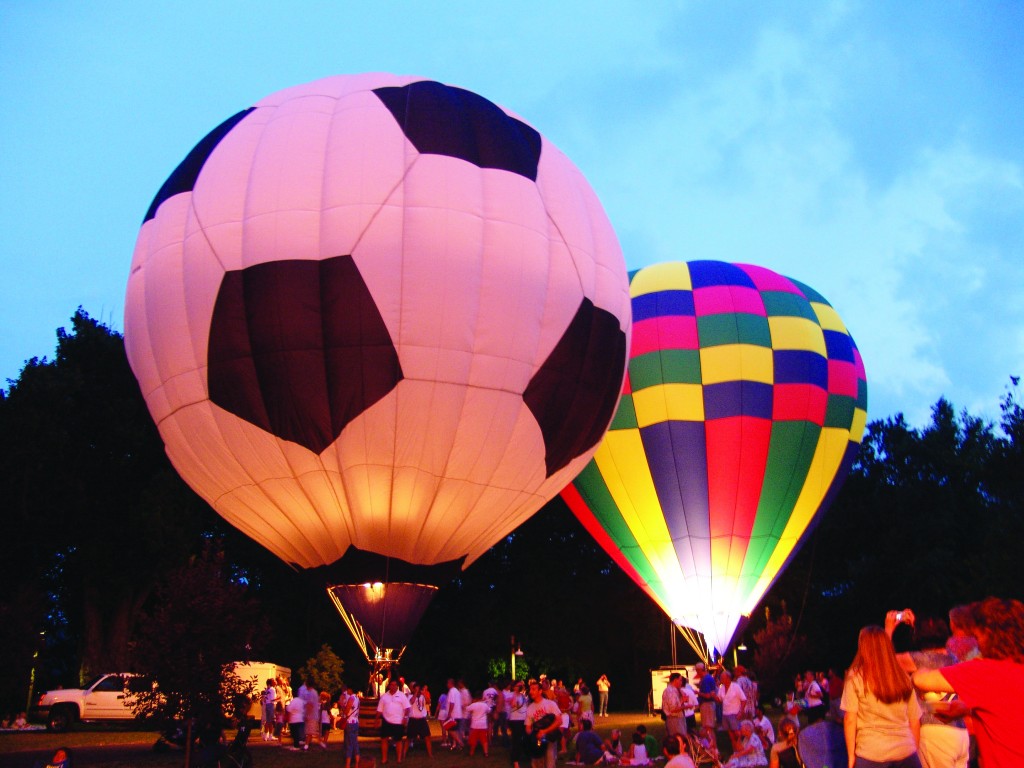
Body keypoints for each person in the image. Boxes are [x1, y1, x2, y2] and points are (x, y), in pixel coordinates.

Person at [913, 596, 1024, 768]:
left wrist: (920, 666)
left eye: (978, 638)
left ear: (990, 635)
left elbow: (923, 680)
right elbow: (1008, 707)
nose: (978, 646)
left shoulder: (985, 671)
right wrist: (967, 708)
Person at [886, 609, 969, 768]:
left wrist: (889, 629)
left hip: (934, 732)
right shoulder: (954, 659)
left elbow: (884, 659)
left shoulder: (918, 659)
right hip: (960, 732)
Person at [841, 625, 922, 768]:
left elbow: (849, 719)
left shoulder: (856, 677)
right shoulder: (902, 676)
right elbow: (914, 719)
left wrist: (851, 756)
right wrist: (913, 748)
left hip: (871, 754)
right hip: (906, 753)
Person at [526, 680, 563, 768]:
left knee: (549, 762)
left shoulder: (550, 704)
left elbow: (559, 721)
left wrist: (544, 731)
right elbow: (528, 727)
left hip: (549, 737)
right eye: (530, 689)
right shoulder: (530, 708)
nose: (531, 691)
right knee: (536, 763)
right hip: (538, 739)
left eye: (534, 689)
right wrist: (532, 735)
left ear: (540, 691)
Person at [378, 678, 411, 764]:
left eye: (395, 685)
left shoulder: (401, 695)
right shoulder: (384, 696)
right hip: (386, 720)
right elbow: (379, 710)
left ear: (397, 686)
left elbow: (407, 708)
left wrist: (405, 717)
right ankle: (384, 759)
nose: (393, 686)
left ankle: (399, 759)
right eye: (391, 685)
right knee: (384, 739)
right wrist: (376, 720)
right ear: (389, 686)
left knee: (398, 740)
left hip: (398, 721)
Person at [718, 670, 747, 751]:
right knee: (731, 735)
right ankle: (735, 750)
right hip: (725, 714)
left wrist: (741, 711)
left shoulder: (735, 687)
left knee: (737, 733)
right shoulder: (722, 688)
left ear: (728, 678)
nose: (721, 679)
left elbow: (744, 699)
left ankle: (743, 748)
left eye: (722, 678)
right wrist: (713, 696)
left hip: (734, 713)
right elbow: (720, 700)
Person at [407, 681, 433, 756]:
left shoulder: (422, 696)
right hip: (413, 720)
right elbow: (411, 702)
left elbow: (428, 701)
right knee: (409, 738)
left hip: (422, 720)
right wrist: (415, 693)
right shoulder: (410, 696)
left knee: (427, 737)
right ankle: (403, 754)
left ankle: (430, 754)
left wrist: (423, 693)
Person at [466, 690, 492, 757]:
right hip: (483, 725)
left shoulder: (473, 705)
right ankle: (486, 753)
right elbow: (489, 710)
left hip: (475, 725)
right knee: (484, 739)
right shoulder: (485, 705)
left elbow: (467, 709)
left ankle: (471, 752)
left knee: (473, 740)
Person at [341, 685, 361, 768]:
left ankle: (348, 764)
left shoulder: (351, 698)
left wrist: (342, 706)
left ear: (350, 689)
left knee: (349, 743)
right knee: (355, 743)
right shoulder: (358, 698)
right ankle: (357, 763)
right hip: (356, 722)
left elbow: (346, 711)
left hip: (350, 722)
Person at [662, 672, 687, 738]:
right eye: (680, 680)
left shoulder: (676, 690)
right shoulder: (670, 691)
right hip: (674, 719)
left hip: (678, 718)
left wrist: (682, 699)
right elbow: (673, 709)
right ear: (675, 680)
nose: (681, 682)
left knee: (682, 738)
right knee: (678, 739)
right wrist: (685, 705)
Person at [695, 663, 718, 730]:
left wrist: (697, 693)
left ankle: (711, 740)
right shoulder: (709, 678)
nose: (697, 673)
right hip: (709, 704)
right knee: (708, 726)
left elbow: (708, 695)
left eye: (697, 671)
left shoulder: (705, 680)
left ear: (699, 670)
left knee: (708, 727)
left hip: (707, 705)